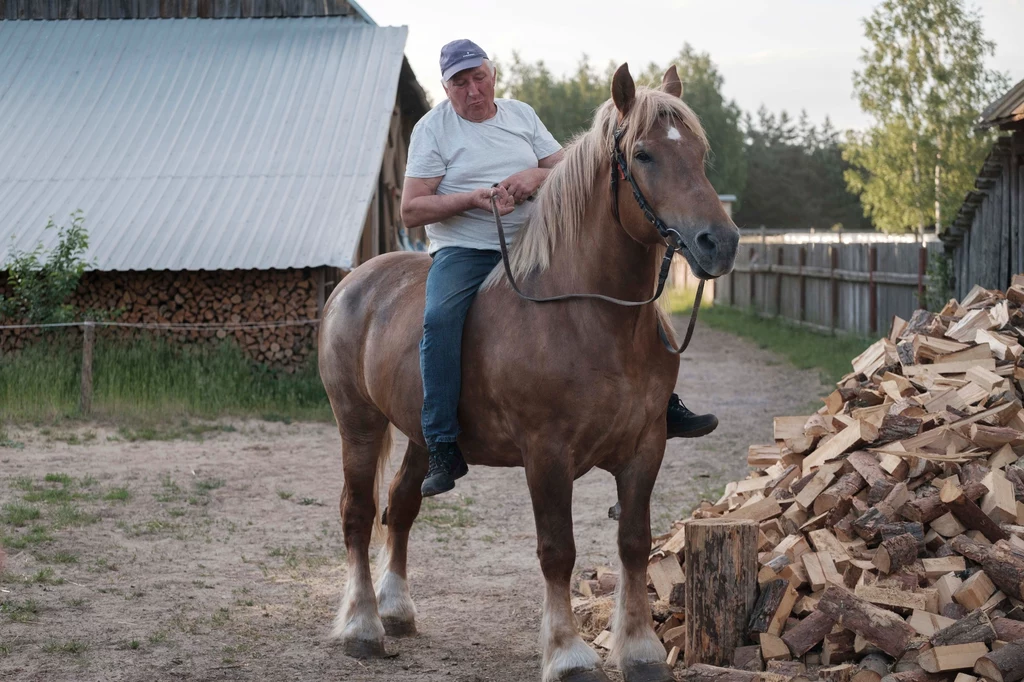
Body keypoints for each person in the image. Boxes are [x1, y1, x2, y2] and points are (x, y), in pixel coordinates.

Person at [401, 39, 718, 498]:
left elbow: (567, 165)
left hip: (537, 241)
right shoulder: (433, 130)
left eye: (479, 77)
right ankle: (442, 441)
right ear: (446, 87)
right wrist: (472, 199)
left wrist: (533, 177)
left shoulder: (520, 116)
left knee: (637, 303)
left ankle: (661, 406)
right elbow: (411, 209)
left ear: (493, 75)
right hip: (467, 249)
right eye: (460, 82)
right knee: (440, 319)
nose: (473, 89)